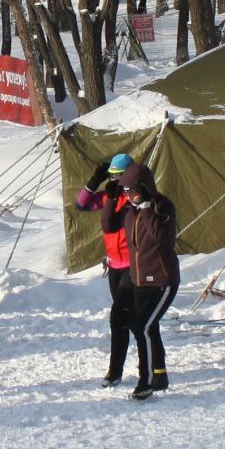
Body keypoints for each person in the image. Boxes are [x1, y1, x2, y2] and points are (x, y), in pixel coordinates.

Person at [118, 161, 179, 400]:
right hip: (140, 280)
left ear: (144, 188)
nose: (128, 195)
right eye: (125, 191)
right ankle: (160, 375)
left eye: (131, 190)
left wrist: (147, 208)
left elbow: (162, 239)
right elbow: (109, 225)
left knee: (141, 327)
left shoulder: (161, 207)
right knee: (148, 327)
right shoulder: (131, 211)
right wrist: (117, 197)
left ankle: (146, 381)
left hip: (163, 280)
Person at [74, 153, 136, 387]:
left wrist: (115, 200)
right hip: (114, 266)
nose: (115, 181)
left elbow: (112, 223)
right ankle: (120, 370)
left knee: (121, 317)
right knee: (125, 319)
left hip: (133, 265)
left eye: (119, 177)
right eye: (112, 177)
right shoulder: (110, 194)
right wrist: (93, 182)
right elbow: (81, 204)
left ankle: (118, 371)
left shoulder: (135, 197)